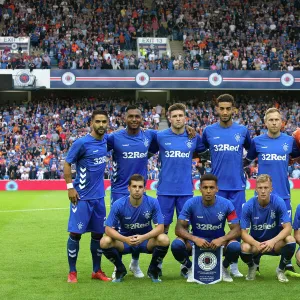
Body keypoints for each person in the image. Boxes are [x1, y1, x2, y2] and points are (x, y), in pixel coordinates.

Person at [245, 107, 300, 276]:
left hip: (283, 194)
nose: (274, 123)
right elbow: (247, 161)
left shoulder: (289, 141)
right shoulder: (257, 141)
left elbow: (296, 157)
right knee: (258, 228)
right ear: (265, 122)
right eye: (271, 120)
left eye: (277, 120)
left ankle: (287, 264)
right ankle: (256, 261)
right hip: (261, 195)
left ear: (282, 122)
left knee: (286, 230)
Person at [202, 94, 251, 277]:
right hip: (217, 189)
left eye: (228, 108)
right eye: (221, 108)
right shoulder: (209, 131)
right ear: (217, 109)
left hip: (237, 187)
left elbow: (251, 151)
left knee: (236, 226)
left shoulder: (243, 131)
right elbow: (200, 148)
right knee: (215, 226)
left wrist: (241, 166)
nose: (224, 112)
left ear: (233, 109)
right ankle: (212, 263)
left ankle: (232, 264)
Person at [107, 105, 158, 278]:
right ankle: (118, 265)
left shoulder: (149, 135)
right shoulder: (114, 137)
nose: (134, 119)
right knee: (119, 228)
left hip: (139, 188)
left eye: (137, 116)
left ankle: (135, 264)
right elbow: (97, 145)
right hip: (119, 189)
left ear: (141, 118)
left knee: (140, 226)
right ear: (125, 118)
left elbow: (167, 138)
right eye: (131, 116)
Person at [64, 110, 111, 283]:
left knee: (98, 235)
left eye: (104, 122)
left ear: (107, 123)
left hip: (99, 198)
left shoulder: (106, 141)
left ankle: (96, 270)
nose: (100, 125)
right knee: (75, 234)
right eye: (97, 121)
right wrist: (70, 187)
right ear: (91, 122)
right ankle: (72, 272)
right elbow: (67, 163)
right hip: (81, 197)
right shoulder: (81, 143)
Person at [171, 174, 241, 282]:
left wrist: (222, 239)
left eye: (211, 187)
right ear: (200, 189)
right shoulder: (191, 203)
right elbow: (178, 229)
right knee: (176, 245)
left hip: (218, 242)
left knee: (235, 246)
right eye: (205, 187)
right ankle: (190, 268)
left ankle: (223, 268)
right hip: (196, 243)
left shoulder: (227, 204)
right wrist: (195, 239)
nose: (208, 191)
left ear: (217, 189)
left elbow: (237, 229)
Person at [101, 174, 170, 282]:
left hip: (145, 241)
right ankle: (120, 269)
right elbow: (108, 229)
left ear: (144, 188)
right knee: (105, 241)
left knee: (164, 239)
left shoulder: (153, 202)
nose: (137, 190)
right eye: (134, 186)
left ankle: (153, 270)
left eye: (140, 187)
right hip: (125, 242)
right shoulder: (118, 204)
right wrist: (125, 239)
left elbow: (160, 227)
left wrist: (143, 237)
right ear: (129, 188)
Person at [240, 174, 296, 282]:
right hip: (256, 244)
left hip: (274, 244)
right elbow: (243, 233)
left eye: (266, 188)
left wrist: (272, 241)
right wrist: (257, 244)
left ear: (271, 189)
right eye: (260, 188)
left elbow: (288, 228)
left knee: (290, 240)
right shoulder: (248, 205)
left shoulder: (278, 202)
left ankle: (280, 270)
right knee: (244, 247)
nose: (263, 191)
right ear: (256, 189)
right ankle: (252, 267)